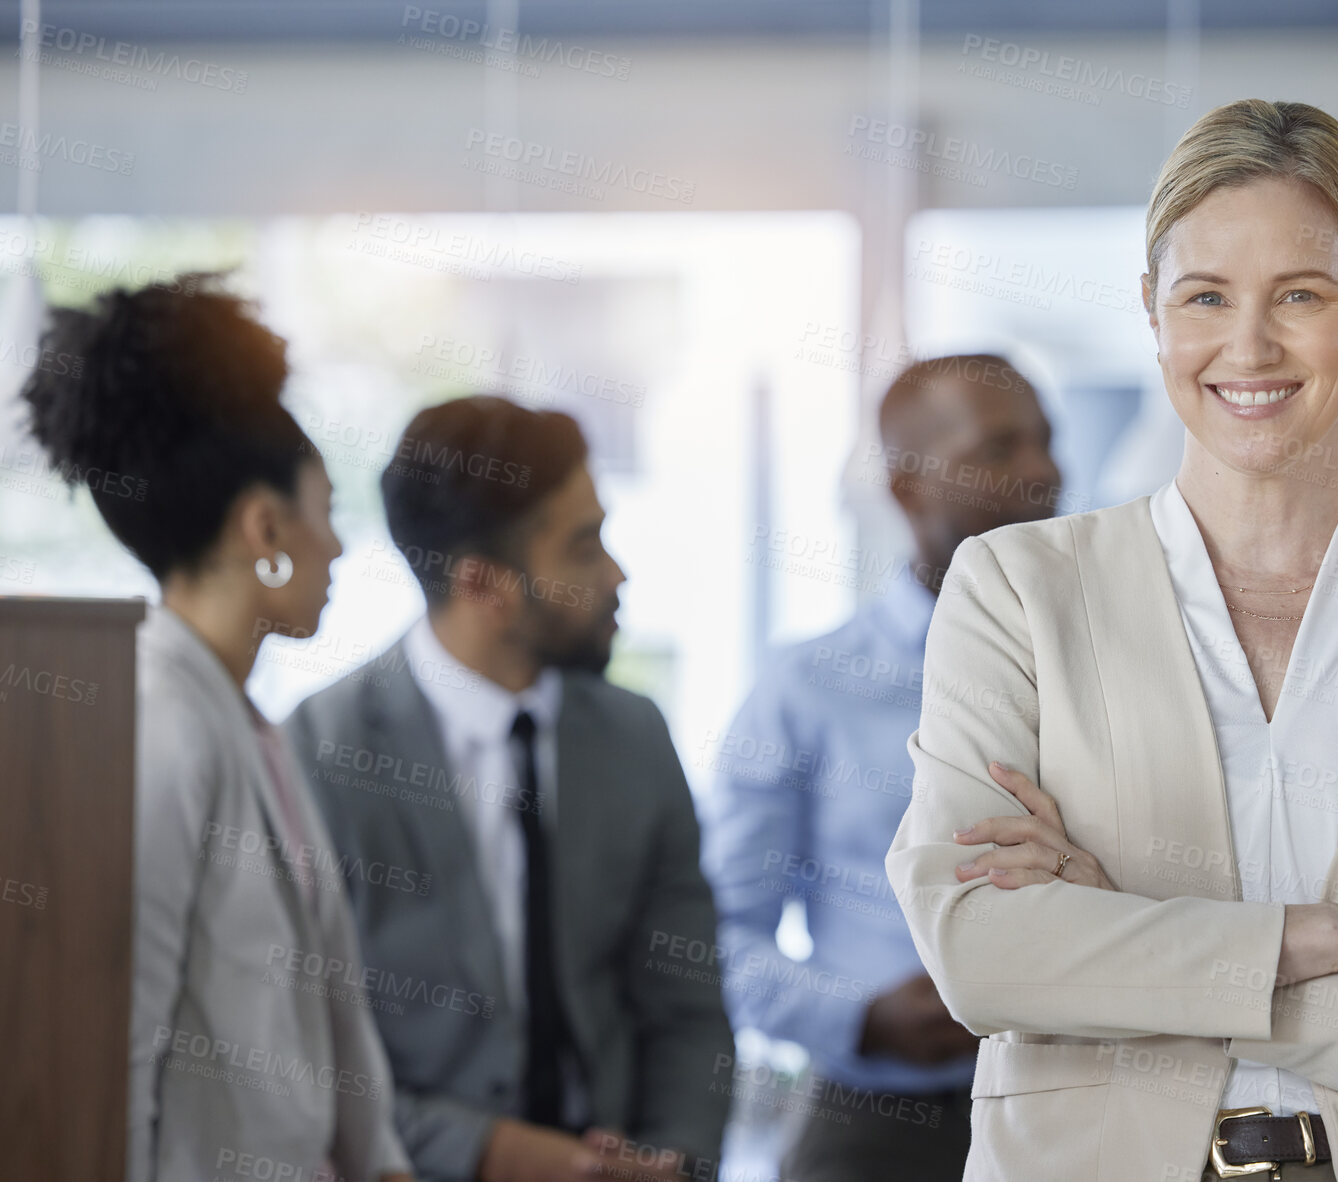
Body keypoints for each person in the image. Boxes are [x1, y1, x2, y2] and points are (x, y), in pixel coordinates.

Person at [884, 99, 1338, 1182]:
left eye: (1301, 296)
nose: (1248, 346)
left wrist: (1125, 945)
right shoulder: (1015, 592)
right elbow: (984, 960)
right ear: (1151, 310)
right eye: (1205, 297)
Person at [20, 277, 413, 1182]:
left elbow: (329, 1019)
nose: (339, 548)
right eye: (325, 512)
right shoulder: (160, 724)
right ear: (265, 527)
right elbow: (110, 1058)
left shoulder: (243, 721)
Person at [286, 396, 733, 1182]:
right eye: (584, 546)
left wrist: (674, 1164)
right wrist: (503, 1157)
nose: (617, 574)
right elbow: (302, 1058)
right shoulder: (319, 755)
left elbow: (686, 1006)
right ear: (485, 585)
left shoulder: (633, 736)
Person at [699, 355, 1062, 1182]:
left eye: (1046, 442)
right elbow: (721, 935)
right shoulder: (806, 687)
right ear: (906, 488)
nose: (1043, 472)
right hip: (881, 1124)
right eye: (1001, 448)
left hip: (1078, 1110)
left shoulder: (1113, 671)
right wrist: (861, 1019)